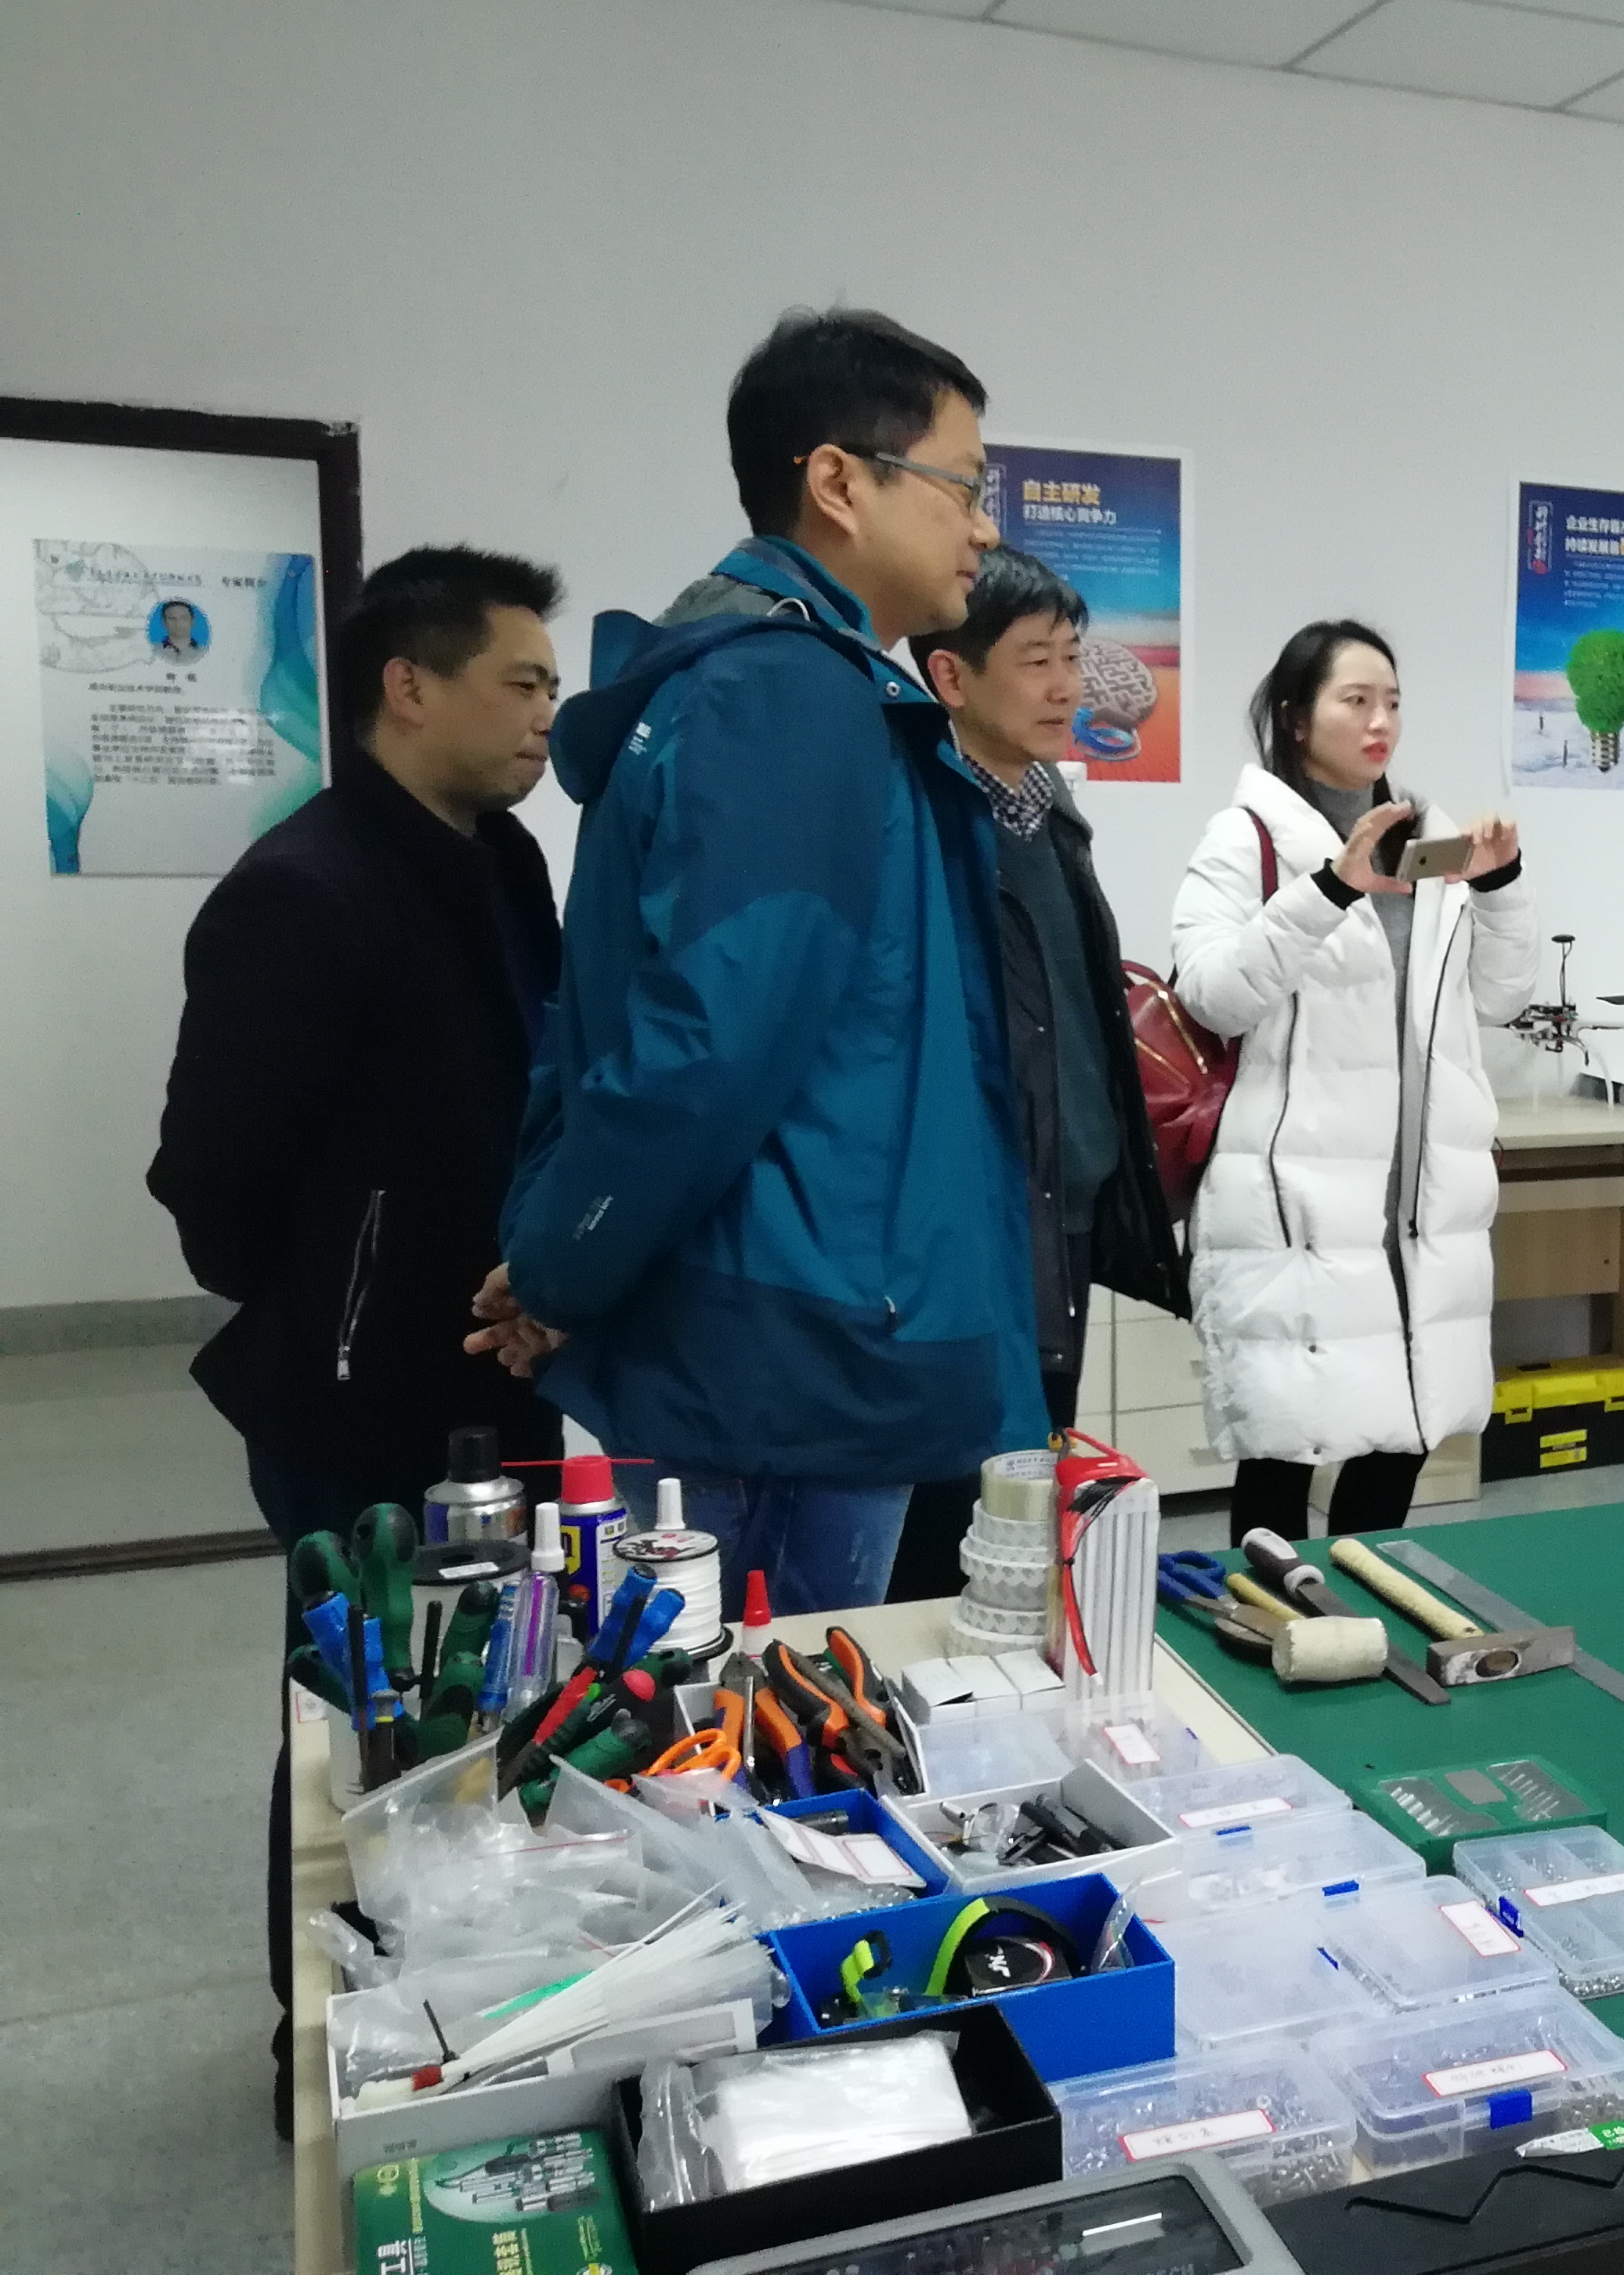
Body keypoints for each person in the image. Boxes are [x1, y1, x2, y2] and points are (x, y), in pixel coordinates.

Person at [479, 308, 1044, 1613]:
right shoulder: (788, 696)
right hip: (788, 1345)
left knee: (723, 1707)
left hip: (769, 1317)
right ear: (839, 481)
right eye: (965, 487)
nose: (984, 529)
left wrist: (563, 1258)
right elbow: (705, 1041)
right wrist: (561, 1265)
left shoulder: (781, 683)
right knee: (767, 1721)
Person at [147, 542, 566, 2136]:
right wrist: (350, 1289)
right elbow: (214, 1183)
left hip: (502, 1375)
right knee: (354, 1712)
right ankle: (314, 2040)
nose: (544, 715)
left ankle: (466, 2001)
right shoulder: (300, 891)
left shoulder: (504, 864)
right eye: (518, 683)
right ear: (409, 685)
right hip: (353, 1396)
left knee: (495, 1698)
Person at [1170, 620, 1536, 1543]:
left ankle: (1362, 1602)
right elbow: (1212, 995)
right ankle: (1270, 1608)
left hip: (1419, 1199)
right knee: (1285, 1444)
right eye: (1356, 700)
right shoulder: (1245, 838)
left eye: (1392, 702)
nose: (1381, 722)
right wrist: (1329, 888)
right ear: (1297, 718)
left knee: (1400, 1436)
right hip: (1301, 1199)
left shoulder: (1429, 842)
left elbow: (1498, 998)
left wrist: (1500, 887)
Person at [885, 549, 1188, 1599]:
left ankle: (1020, 1661)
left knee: (1033, 1476)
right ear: (951, 677)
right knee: (960, 1494)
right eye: (1035, 661)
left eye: (1071, 656)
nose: (1066, 686)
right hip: (975, 1214)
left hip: (1066, 1201)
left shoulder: (1048, 808)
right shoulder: (928, 823)